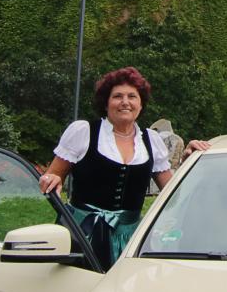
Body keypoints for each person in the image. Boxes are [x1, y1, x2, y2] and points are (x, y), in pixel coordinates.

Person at [39, 67, 210, 267]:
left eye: (132, 96)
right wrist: (52, 180)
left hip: (131, 240)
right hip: (83, 234)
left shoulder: (151, 141)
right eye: (117, 96)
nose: (125, 102)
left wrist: (188, 160)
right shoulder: (84, 132)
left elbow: (172, 193)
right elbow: (51, 178)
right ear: (106, 102)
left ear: (140, 104)